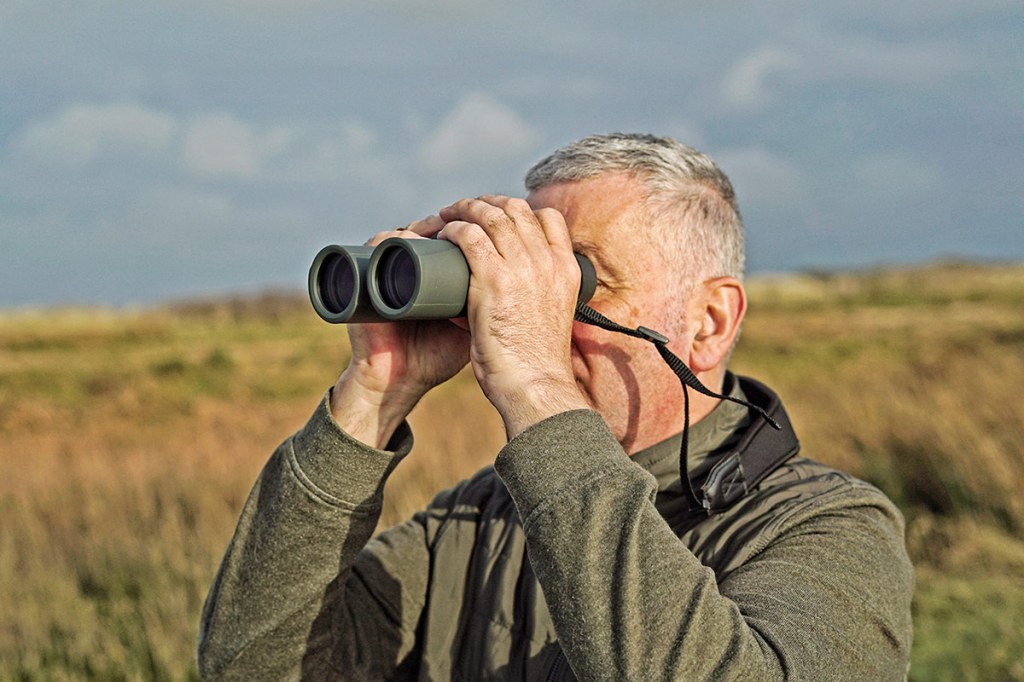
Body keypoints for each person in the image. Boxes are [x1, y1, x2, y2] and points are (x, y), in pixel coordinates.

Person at [198, 133, 913, 680]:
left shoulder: (827, 528)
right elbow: (252, 664)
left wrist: (539, 388)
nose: (527, 308)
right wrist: (374, 389)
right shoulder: (478, 521)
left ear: (709, 322)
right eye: (524, 274)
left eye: (577, 281)